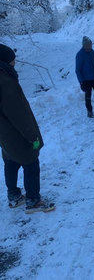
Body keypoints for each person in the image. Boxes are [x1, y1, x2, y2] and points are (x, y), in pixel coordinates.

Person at [0, 44, 55, 213]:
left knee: (10, 160)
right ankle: (33, 200)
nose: (15, 63)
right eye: (12, 60)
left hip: (4, 134)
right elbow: (19, 113)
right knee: (31, 162)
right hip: (15, 133)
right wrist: (32, 136)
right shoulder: (5, 81)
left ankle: (14, 196)